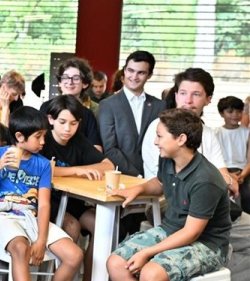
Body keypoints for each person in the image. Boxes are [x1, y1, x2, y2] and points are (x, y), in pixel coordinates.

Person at [107, 108, 231, 281]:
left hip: (207, 244)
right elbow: (159, 184)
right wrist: (137, 189)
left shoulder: (206, 180)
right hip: (170, 230)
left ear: (181, 139)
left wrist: (148, 252)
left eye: (160, 136)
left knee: (151, 273)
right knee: (116, 262)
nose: (155, 142)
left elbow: (191, 233)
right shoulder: (167, 158)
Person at [0, 106, 83, 281]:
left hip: (31, 218)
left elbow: (44, 204)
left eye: (43, 136)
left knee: (74, 255)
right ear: (19, 137)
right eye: (38, 136)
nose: (43, 141)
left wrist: (41, 239)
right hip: (1, 215)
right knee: (21, 248)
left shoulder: (43, 164)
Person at [41, 94, 115, 281]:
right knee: (71, 227)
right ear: (51, 119)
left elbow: (108, 165)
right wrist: (77, 171)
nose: (68, 129)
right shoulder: (42, 139)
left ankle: (89, 278)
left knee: (101, 225)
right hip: (47, 201)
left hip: (72, 200)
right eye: (62, 122)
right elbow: (44, 170)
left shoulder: (78, 140)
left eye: (73, 123)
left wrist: (81, 170)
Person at [100, 51, 165, 177]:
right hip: (122, 176)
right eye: (130, 70)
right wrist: (137, 175)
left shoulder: (160, 106)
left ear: (149, 75)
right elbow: (110, 149)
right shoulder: (107, 105)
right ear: (124, 71)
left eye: (141, 73)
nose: (134, 76)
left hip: (155, 176)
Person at [40, 58, 103, 152]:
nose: (70, 82)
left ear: (85, 84)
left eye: (76, 78)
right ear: (59, 82)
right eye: (65, 77)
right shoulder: (46, 107)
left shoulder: (88, 113)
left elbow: (97, 150)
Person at [215, 96, 250, 213]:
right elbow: (213, 159)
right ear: (221, 113)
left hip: (243, 171)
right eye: (230, 111)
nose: (235, 115)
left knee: (246, 195)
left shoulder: (247, 132)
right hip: (223, 171)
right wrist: (229, 175)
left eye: (239, 111)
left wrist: (242, 176)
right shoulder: (215, 133)